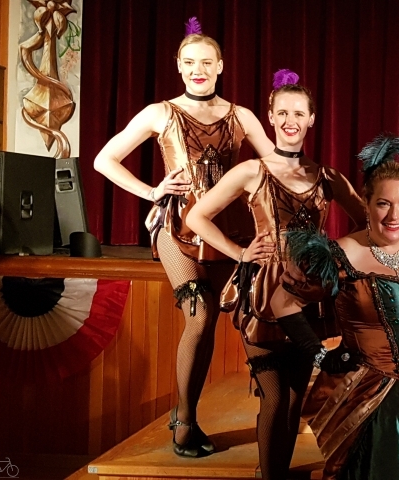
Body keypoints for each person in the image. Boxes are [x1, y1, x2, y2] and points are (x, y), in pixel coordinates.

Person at [92, 17, 276, 458]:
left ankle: (276, 411)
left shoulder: (241, 115)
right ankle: (185, 422)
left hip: (228, 228)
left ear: (220, 66)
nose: (198, 69)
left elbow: (277, 168)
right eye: (190, 62)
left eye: (206, 62)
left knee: (245, 318)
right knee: (200, 314)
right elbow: (104, 160)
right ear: (178, 66)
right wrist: (151, 192)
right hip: (176, 227)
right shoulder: (160, 112)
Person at [184, 69, 364, 477]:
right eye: (282, 112)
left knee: (296, 400)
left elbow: (367, 221)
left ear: (312, 119)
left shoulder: (327, 176)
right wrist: (239, 252)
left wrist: (336, 255)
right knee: (275, 397)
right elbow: (197, 216)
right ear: (270, 116)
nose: (290, 121)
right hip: (263, 294)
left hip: (309, 299)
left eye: (298, 113)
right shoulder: (251, 171)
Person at [295, 134, 399, 480]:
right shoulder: (339, 253)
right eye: (383, 204)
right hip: (373, 399)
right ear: (366, 204)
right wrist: (321, 355)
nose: (394, 215)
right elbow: (283, 303)